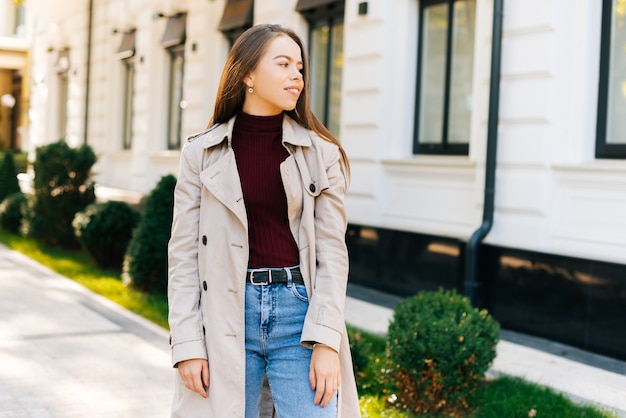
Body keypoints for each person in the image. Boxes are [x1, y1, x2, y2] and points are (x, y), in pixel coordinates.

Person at [167, 23, 361, 417]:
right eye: (284, 64)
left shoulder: (321, 155)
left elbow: (332, 255)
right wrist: (187, 345)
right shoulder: (201, 155)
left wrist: (327, 342)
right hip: (225, 314)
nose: (297, 76)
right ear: (248, 75)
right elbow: (183, 257)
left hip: (299, 319)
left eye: (300, 67)